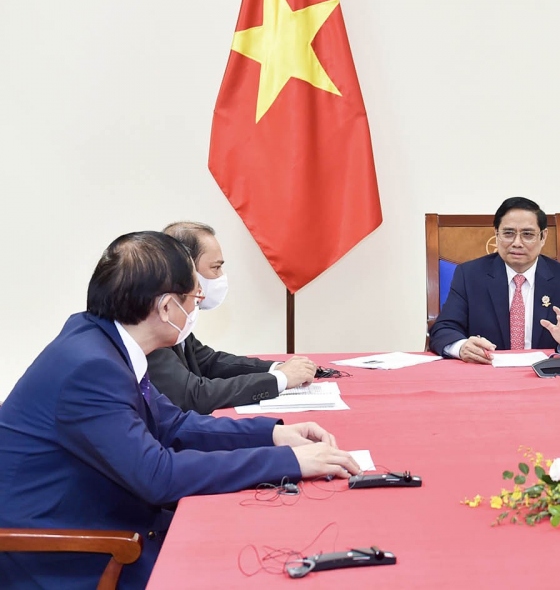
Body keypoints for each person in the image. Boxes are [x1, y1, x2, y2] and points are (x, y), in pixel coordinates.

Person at [0, 231, 361, 589]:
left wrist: (273, 434)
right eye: (194, 295)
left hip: (103, 519)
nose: (197, 305)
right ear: (167, 307)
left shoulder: (102, 340)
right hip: (63, 551)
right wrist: (291, 464)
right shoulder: (90, 367)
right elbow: (159, 477)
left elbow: (173, 425)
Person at [148, 222, 316, 414]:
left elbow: (208, 362)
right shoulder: (154, 324)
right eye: (215, 268)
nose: (221, 277)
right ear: (185, 270)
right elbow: (194, 395)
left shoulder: (178, 321)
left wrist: (277, 368)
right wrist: (280, 379)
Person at [429, 197, 560, 364]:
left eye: (527, 234)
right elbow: (443, 328)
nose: (517, 242)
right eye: (508, 233)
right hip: (487, 376)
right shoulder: (469, 275)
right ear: (496, 234)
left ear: (543, 237)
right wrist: (461, 347)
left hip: (548, 379)